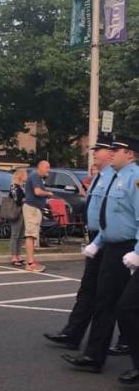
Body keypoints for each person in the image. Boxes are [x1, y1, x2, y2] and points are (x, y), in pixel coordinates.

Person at [62, 135, 139, 373]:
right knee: (105, 302)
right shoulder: (114, 176)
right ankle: (94, 356)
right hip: (111, 247)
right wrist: (97, 242)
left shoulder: (135, 179)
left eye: (117, 149)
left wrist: (137, 252)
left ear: (130, 153)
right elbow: (111, 218)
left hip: (128, 249)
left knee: (127, 306)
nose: (112, 152)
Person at [43, 138, 114, 350]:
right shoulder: (100, 177)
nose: (94, 153)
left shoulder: (114, 177)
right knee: (88, 289)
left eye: (98, 150)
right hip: (95, 238)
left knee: (109, 296)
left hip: (108, 240)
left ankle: (119, 343)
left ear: (110, 154)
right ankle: (72, 334)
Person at [22, 160, 53, 273]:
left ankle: (31, 260)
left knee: (33, 235)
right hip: (32, 209)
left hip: (35, 209)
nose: (48, 170)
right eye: (47, 167)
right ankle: (30, 264)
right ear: (40, 167)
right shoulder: (35, 176)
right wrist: (48, 193)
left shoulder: (38, 178)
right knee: (30, 235)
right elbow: (38, 192)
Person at [9, 168, 27, 267]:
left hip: (23, 211)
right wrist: (26, 199)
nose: (26, 176)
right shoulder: (14, 186)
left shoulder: (23, 186)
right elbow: (17, 200)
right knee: (15, 234)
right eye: (25, 174)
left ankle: (19, 254)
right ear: (20, 175)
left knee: (21, 234)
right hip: (16, 212)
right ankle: (13, 255)